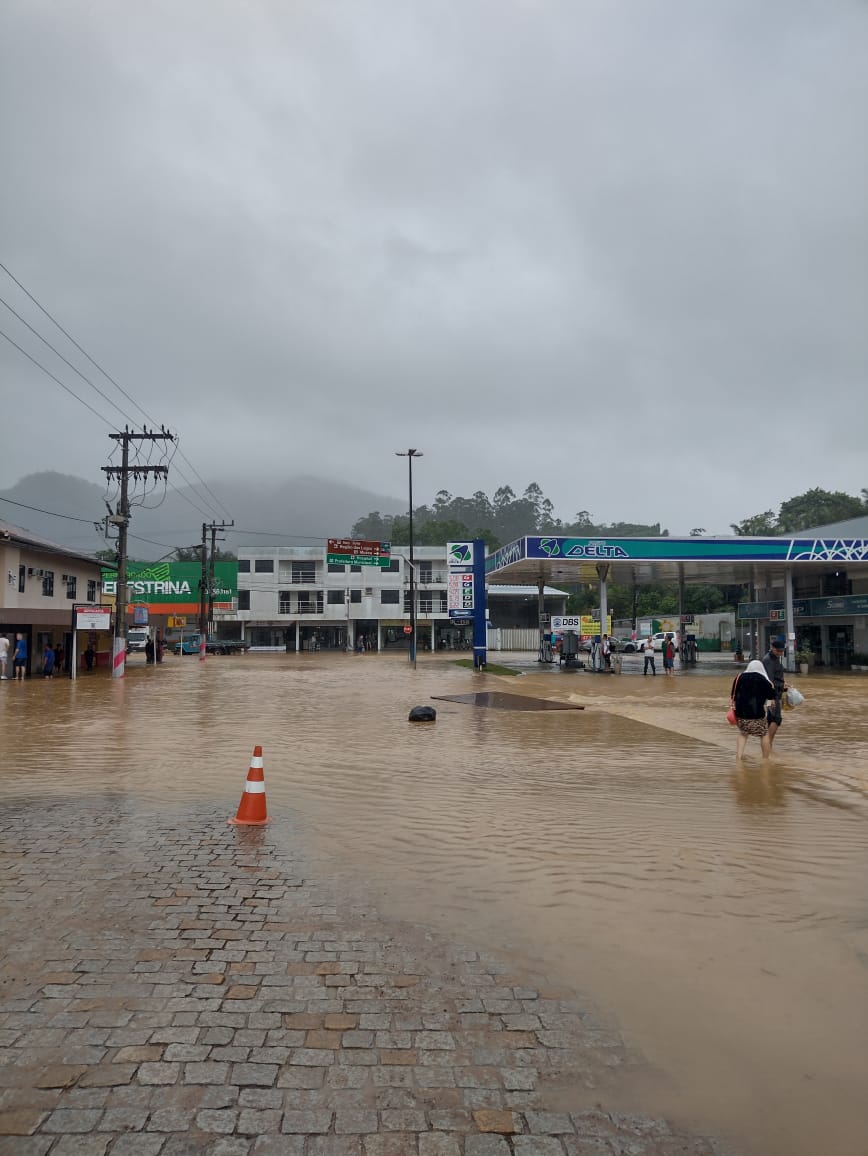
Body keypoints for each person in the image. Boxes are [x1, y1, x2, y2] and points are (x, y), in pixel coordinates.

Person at [731, 659, 775, 760]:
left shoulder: (739, 677)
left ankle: (738, 757)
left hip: (740, 714)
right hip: (757, 714)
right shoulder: (762, 679)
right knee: (764, 734)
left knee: (743, 733)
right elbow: (771, 695)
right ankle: (765, 759)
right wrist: (772, 687)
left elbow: (733, 693)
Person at [762, 637, 789, 753]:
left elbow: (776, 677)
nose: (780, 653)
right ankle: (768, 742)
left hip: (775, 693)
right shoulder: (768, 660)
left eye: (782, 651)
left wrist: (783, 684)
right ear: (772, 648)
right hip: (772, 695)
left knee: (771, 719)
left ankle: (768, 746)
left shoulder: (775, 658)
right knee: (776, 719)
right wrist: (771, 698)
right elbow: (769, 680)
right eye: (778, 651)